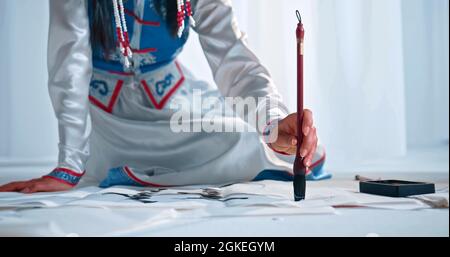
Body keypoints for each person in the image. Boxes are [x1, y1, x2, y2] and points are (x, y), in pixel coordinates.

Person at [0, 0, 327, 194]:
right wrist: (69, 166)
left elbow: (234, 59)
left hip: (172, 95)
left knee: (274, 143)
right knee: (239, 142)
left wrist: (272, 121)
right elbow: (68, 63)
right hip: (107, 108)